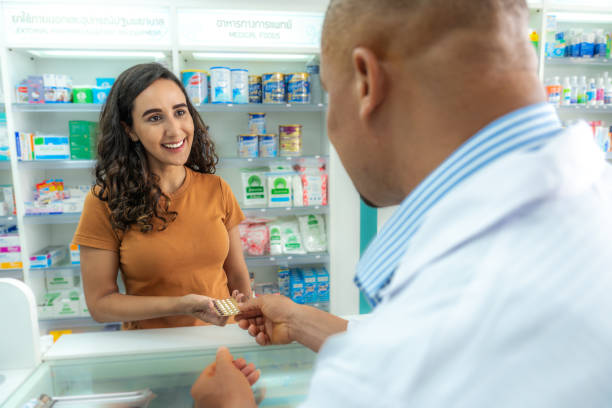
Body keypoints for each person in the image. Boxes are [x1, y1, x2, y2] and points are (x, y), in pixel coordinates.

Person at [190, 0, 612, 406]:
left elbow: (415, 362)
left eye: (331, 92)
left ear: (366, 83)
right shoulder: (587, 204)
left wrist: (227, 406)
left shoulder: (443, 320)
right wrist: (300, 320)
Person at [73, 63, 251, 330]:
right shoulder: (105, 200)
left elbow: (236, 275)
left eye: (180, 112)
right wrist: (182, 304)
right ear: (130, 130)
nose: (175, 130)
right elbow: (100, 304)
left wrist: (244, 317)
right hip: (151, 350)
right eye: (155, 118)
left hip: (220, 340)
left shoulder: (217, 189)